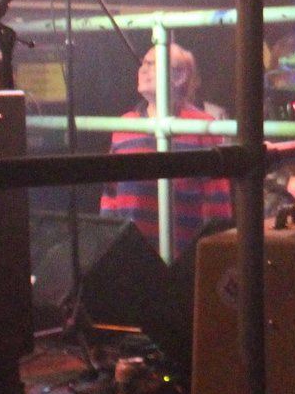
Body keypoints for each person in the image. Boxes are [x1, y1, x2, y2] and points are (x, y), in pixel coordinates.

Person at [99, 42, 234, 264]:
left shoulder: (204, 126)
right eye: (143, 63)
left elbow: (218, 203)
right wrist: (107, 243)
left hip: (185, 258)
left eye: (151, 64)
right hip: (130, 257)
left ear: (179, 76)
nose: (142, 69)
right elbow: (110, 195)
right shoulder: (124, 125)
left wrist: (214, 257)